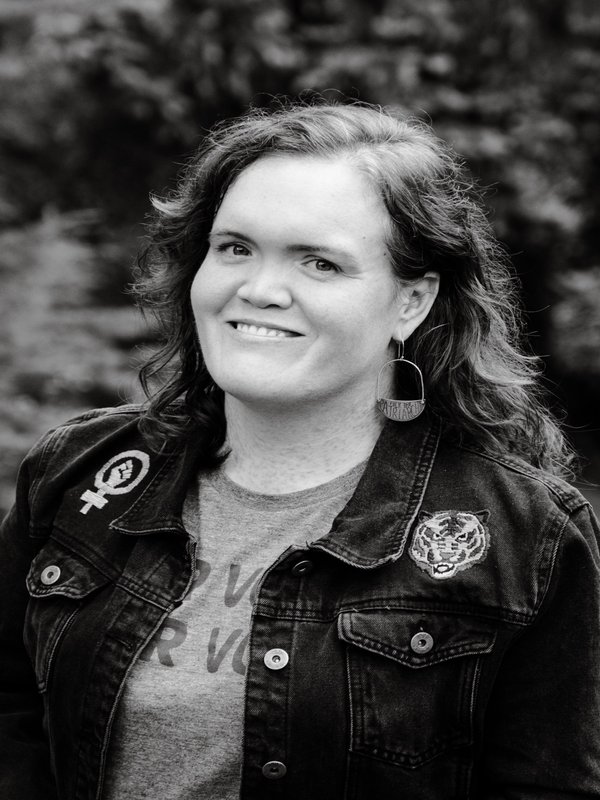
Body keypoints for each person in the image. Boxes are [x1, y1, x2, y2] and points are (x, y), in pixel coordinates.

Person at [1, 99, 599, 800]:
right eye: (236, 248)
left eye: (318, 262)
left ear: (411, 301)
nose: (258, 289)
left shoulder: (523, 537)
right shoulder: (78, 473)